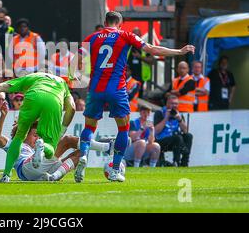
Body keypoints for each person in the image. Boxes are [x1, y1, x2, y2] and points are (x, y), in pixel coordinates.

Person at [71, 11, 195, 182]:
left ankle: (83, 156)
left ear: (105, 22)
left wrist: (77, 74)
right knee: (123, 129)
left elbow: (76, 61)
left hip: (96, 89)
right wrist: (179, 51)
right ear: (120, 23)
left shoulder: (92, 37)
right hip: (117, 89)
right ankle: (115, 169)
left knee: (89, 127)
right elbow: (152, 49)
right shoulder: (126, 35)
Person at [0, 72, 76, 183]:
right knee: (51, 148)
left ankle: (6, 175)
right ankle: (44, 147)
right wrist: (62, 131)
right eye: (34, 135)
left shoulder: (32, 77)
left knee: (18, 137)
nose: (35, 137)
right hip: (54, 102)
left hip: (33, 96)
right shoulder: (62, 83)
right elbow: (72, 108)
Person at [0, 102, 113, 182]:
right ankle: (107, 147)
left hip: (43, 170)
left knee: (81, 152)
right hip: (26, 167)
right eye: (35, 135)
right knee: (67, 140)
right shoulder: (15, 143)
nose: (37, 138)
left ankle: (53, 177)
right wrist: (3, 116)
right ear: (25, 134)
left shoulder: (38, 145)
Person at [154, 95, 193, 167]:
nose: (174, 105)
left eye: (176, 104)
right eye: (172, 103)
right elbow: (156, 131)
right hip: (161, 141)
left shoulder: (178, 114)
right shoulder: (160, 112)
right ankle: (176, 162)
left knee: (189, 136)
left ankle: (184, 163)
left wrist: (179, 119)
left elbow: (185, 131)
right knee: (177, 138)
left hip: (176, 141)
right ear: (167, 104)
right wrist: (166, 118)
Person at [127, 27, 154, 98]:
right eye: (134, 35)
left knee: (139, 95)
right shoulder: (127, 47)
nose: (136, 37)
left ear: (140, 36)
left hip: (141, 76)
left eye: (137, 35)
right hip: (128, 77)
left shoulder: (145, 47)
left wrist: (139, 56)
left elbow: (151, 60)